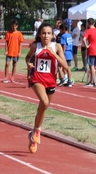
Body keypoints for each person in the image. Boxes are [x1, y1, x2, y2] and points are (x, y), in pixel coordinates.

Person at [25, 22, 69, 153]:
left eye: (49, 33)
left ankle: (33, 133)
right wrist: (28, 64)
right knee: (44, 102)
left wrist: (53, 54)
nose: (46, 36)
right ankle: (37, 131)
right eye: (43, 33)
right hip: (37, 79)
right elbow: (28, 57)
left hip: (51, 81)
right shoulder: (35, 46)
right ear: (39, 34)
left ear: (52, 35)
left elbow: (65, 66)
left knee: (43, 107)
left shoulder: (57, 47)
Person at [57, 22, 74, 86]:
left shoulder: (63, 36)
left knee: (59, 66)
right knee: (68, 67)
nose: (60, 31)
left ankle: (62, 79)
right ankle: (69, 80)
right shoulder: (69, 35)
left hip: (65, 53)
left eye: (61, 30)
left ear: (63, 29)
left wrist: (62, 53)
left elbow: (64, 45)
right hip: (70, 52)